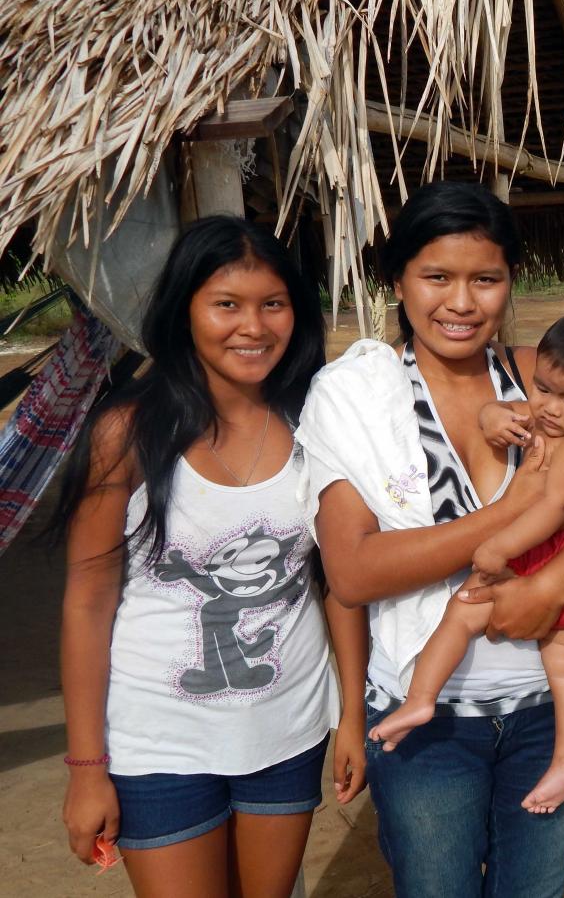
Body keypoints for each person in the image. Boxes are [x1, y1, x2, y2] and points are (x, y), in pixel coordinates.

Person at [300, 181, 564, 896]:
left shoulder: (537, 379)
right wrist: (527, 505)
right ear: (397, 280)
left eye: (486, 279)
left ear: (510, 283)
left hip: (546, 709)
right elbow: (354, 572)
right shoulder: (354, 396)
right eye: (437, 277)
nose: (462, 303)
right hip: (431, 724)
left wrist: (549, 588)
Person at [57, 216, 366, 897]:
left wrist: (351, 714)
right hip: (158, 745)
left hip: (287, 731)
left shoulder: (318, 422)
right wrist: (87, 768)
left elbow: (339, 581)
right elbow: (87, 603)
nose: (252, 327)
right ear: (185, 310)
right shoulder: (127, 434)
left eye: (272, 304)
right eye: (226, 304)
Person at [367, 307, 564, 815]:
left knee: (468, 612)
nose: (550, 409)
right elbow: (504, 410)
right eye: (543, 389)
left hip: (552, 561)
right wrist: (493, 415)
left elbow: (554, 508)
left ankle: (426, 698)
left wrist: (499, 547)